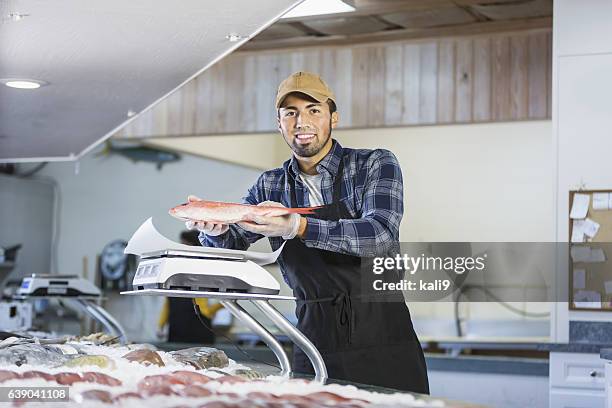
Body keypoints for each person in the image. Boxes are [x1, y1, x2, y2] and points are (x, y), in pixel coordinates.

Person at [187, 72, 429, 393]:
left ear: (334, 117)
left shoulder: (374, 163)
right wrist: (214, 230)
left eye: (313, 110)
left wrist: (298, 226)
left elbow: (380, 233)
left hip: (381, 331)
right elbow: (232, 242)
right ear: (279, 124)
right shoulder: (269, 184)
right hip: (311, 334)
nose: (302, 121)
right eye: (291, 113)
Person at [157, 230, 223, 343]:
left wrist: (214, 309)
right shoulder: (175, 270)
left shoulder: (204, 270)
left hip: (198, 329)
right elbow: (168, 302)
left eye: (186, 244)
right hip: (176, 329)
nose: (182, 247)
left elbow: (217, 301)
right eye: (182, 244)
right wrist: (160, 325)